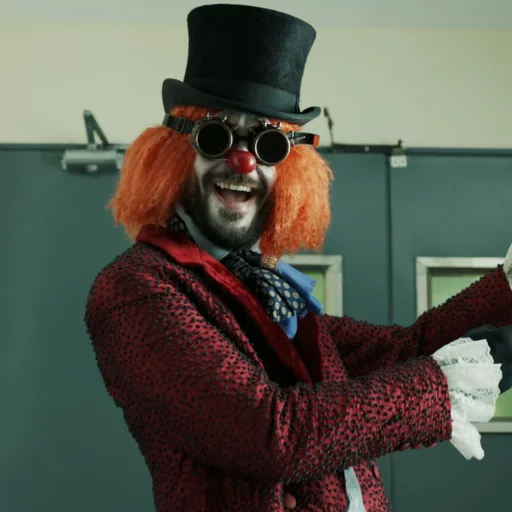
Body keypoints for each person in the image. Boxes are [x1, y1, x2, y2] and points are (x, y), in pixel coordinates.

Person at [84, 4, 512, 511]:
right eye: (217, 136)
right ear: (173, 155)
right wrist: (438, 388)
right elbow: (270, 436)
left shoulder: (263, 289)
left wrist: (507, 287)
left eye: (268, 144)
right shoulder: (137, 286)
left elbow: (405, 350)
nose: (243, 161)